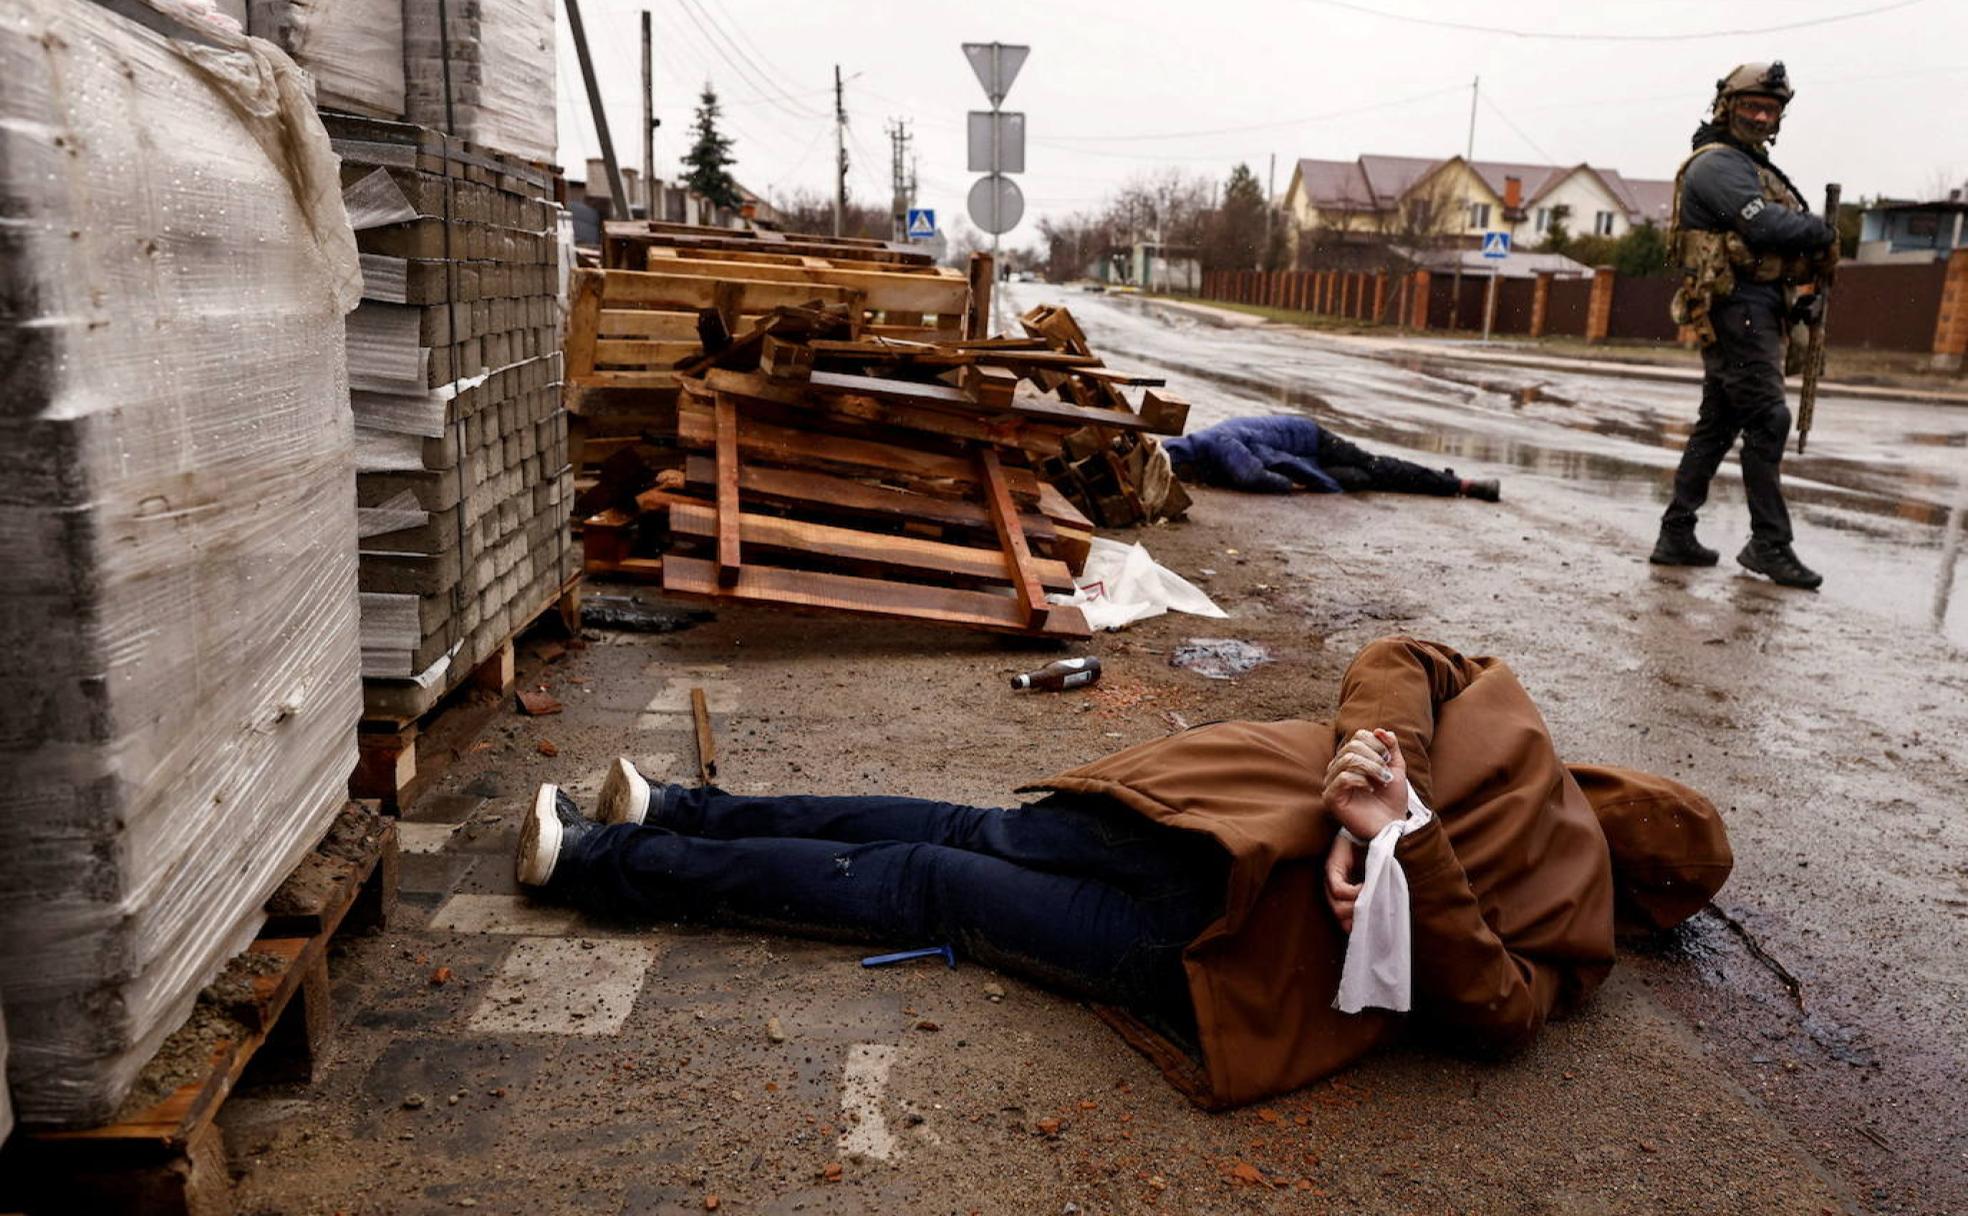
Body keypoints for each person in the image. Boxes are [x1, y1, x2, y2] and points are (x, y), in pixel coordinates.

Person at [516, 637, 1732, 1108]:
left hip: (1199, 854)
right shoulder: (1546, 814)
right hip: (1209, 920)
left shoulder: (1518, 741)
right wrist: (1389, 813)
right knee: (935, 874)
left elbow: (1400, 659)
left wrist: (1396, 815)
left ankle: (663, 813)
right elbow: (1501, 1015)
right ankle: (609, 851)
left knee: (952, 837)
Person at [1651, 61, 1839, 589]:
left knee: (1718, 424)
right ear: (1727, 108)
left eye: (1770, 109)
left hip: (1755, 305)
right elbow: (1763, 223)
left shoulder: (1750, 165)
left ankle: (1676, 534)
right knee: (1769, 419)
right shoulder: (1717, 165)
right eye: (1751, 106)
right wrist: (1820, 231)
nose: (1760, 116)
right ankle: (1769, 544)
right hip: (1736, 310)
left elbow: (1773, 240)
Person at [1162, 415, 1501, 501]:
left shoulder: (1215, 442)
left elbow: (1252, 476)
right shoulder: (1206, 449)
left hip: (1312, 439)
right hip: (1305, 457)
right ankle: (1437, 482)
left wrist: (1291, 485)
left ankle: (1461, 484)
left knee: (1375, 466)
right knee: (1365, 479)